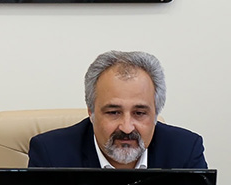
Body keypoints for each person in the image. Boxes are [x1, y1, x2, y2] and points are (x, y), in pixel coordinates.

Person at [28, 50, 207, 169]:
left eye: (139, 113)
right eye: (113, 112)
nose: (127, 128)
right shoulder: (51, 154)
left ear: (155, 114)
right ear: (91, 112)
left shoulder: (184, 151)